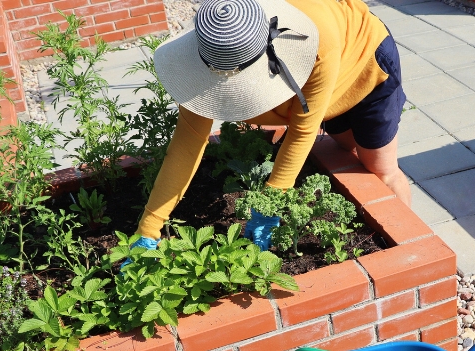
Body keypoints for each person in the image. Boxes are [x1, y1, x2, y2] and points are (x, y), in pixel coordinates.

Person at [130, 0, 410, 252]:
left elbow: (302, 130)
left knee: (379, 169)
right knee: (347, 148)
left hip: (362, 60)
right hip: (323, 90)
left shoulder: (317, 42)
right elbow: (185, 145)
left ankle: (408, 249)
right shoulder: (216, 49)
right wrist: (148, 228)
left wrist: (269, 205)